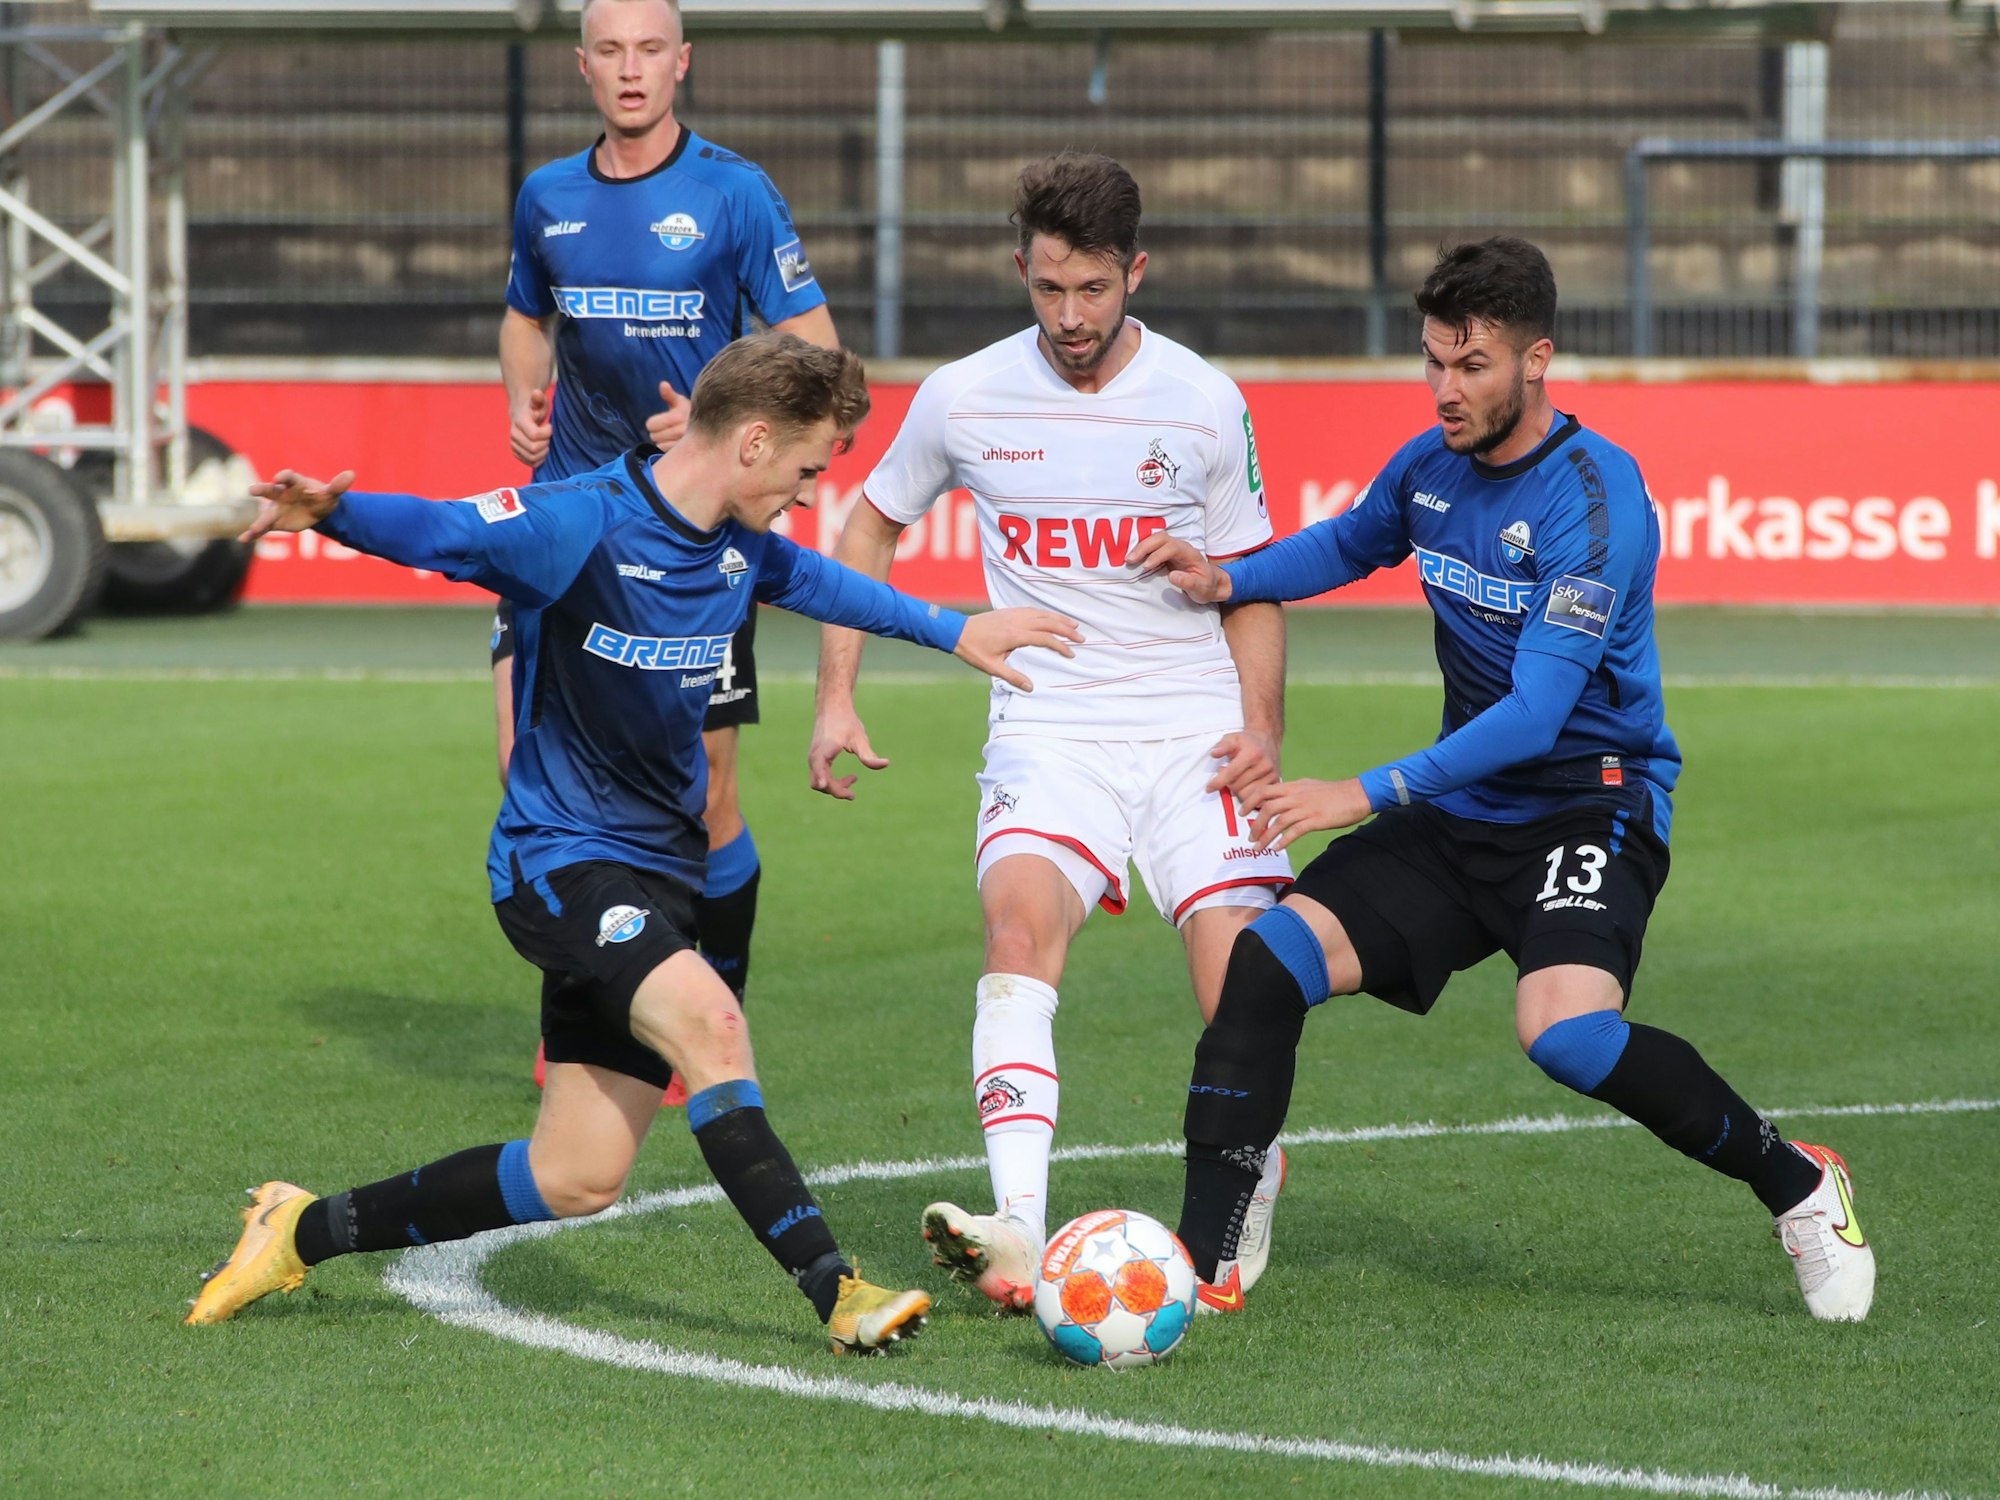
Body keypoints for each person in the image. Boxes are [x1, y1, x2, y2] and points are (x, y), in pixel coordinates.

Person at [185, 333, 1082, 1351]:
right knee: (710, 1023)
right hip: (556, 860)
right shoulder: (579, 522)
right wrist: (333, 512)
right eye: (805, 467)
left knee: (574, 1175)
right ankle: (839, 1292)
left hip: (660, 872)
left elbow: (831, 587)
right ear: (752, 443)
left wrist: (956, 631)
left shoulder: (740, 547)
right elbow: (444, 532)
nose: (806, 489)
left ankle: (296, 1229)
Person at [1132, 237, 1876, 1322]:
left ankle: (1800, 1187)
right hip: (1460, 810)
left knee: (1565, 1034)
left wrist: (1363, 791)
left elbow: (1536, 716)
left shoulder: (1593, 497)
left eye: (1470, 366)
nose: (1444, 389)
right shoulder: (1429, 464)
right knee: (1267, 958)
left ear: (1536, 359)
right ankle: (1201, 1266)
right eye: (1433, 362)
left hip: (1589, 796)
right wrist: (1227, 576)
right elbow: (1350, 541)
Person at [809, 153, 1294, 1317]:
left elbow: (1257, 582)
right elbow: (865, 526)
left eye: (1091, 290)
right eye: (1046, 290)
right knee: (1017, 933)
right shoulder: (964, 395)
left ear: (1135, 272)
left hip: (1194, 726)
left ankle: (1248, 1174)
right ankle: (1019, 1229)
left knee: (1240, 988)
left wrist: (1262, 734)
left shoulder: (1202, 400)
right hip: (1050, 723)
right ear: (1018, 269)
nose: (1068, 318)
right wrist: (837, 692)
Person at [498, 0, 835, 1075]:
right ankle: (584, 1016)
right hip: (567, 535)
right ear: (583, 67)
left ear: (681, 63)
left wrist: (713, 423)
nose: (631, 69)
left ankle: (711, 1012)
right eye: (610, 51)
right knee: (539, 789)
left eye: (651, 50)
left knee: (704, 796)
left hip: (688, 539)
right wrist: (521, 394)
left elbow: (814, 349)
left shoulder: (733, 193)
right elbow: (523, 311)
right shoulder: (545, 196)